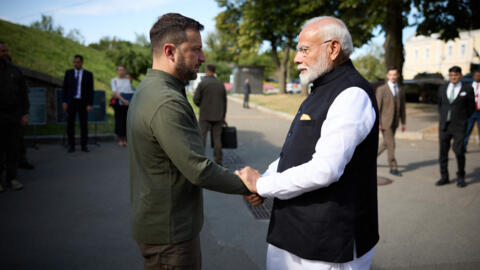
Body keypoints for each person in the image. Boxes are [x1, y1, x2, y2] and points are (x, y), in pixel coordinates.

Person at [236, 16, 379, 270]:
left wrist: (263, 184)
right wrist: (262, 183)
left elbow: (325, 169)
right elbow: (295, 154)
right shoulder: (321, 88)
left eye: (304, 50)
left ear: (333, 49)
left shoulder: (351, 93)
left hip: (326, 244)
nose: (296, 58)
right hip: (291, 233)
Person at [127, 13, 255, 270]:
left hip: (162, 224)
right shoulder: (166, 101)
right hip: (170, 234)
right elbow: (199, 169)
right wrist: (248, 185)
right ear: (170, 51)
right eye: (195, 49)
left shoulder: (152, 89)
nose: (203, 57)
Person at [436, 66, 475, 188]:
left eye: (456, 75)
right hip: (444, 126)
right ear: (449, 76)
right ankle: (444, 177)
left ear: (461, 76)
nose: (453, 77)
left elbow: (471, 108)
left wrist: (462, 119)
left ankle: (461, 177)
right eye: (451, 75)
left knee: (459, 151)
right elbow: (439, 105)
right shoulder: (443, 88)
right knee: (443, 153)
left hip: (459, 126)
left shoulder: (467, 89)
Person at [0, 41, 28, 192]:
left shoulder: (15, 71)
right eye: (2, 51)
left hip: (14, 116)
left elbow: (24, 94)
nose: (5, 53)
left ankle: (12, 178)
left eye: (6, 50)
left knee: (13, 149)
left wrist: (25, 113)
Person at [193, 64, 227, 165]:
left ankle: (200, 161)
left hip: (205, 115)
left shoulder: (203, 83)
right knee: (217, 139)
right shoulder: (220, 84)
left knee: (202, 138)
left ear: (207, 71)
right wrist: (223, 116)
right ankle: (218, 160)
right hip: (218, 116)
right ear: (214, 71)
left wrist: (202, 106)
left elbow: (195, 99)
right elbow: (225, 102)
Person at [376, 67, 406, 176]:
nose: (393, 77)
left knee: (385, 144)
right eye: (390, 75)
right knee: (391, 144)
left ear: (397, 76)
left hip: (395, 122)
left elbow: (402, 107)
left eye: (395, 75)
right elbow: (377, 107)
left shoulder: (401, 89)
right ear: (387, 76)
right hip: (385, 122)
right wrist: (378, 123)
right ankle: (393, 167)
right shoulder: (381, 89)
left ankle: (369, 159)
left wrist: (403, 122)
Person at [62, 55, 94, 153]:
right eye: (74, 62)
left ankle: (84, 145)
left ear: (81, 62)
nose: (76, 64)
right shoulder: (69, 73)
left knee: (83, 124)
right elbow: (65, 88)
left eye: (78, 62)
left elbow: (90, 90)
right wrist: (64, 101)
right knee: (70, 125)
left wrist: (89, 103)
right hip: (71, 102)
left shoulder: (88, 74)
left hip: (83, 102)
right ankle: (71, 146)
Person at [111, 65, 133, 147]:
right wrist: (123, 100)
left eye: (122, 70)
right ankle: (120, 139)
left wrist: (128, 101)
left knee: (125, 121)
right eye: (119, 70)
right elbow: (115, 93)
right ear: (117, 71)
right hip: (119, 103)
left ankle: (125, 139)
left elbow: (129, 91)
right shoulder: (114, 80)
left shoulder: (127, 80)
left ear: (124, 71)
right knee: (119, 121)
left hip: (126, 103)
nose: (121, 71)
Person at [464, 69, 480, 151]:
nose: (478, 77)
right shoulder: (468, 86)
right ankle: (463, 147)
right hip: (471, 112)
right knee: (468, 130)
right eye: (476, 76)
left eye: (479, 76)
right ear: (473, 76)